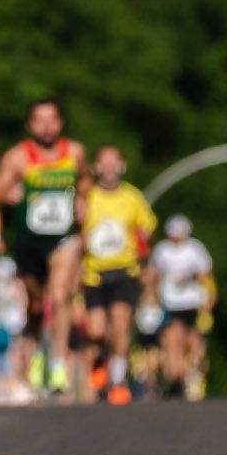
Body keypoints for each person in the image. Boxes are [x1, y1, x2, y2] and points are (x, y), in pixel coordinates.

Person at [0, 100, 87, 397]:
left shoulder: (74, 152)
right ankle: (34, 352)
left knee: (59, 297)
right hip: (29, 241)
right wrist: (10, 194)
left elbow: (85, 181)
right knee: (35, 305)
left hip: (63, 238)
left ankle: (57, 363)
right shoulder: (17, 157)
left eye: (52, 119)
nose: (46, 126)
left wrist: (82, 201)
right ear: (30, 125)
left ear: (60, 123)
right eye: (40, 120)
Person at [78, 146, 153, 406]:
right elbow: (78, 231)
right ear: (96, 168)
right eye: (104, 164)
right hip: (94, 273)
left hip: (124, 271)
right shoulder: (88, 197)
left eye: (114, 163)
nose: (109, 169)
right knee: (97, 330)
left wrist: (144, 260)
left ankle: (118, 380)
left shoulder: (133, 197)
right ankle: (102, 358)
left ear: (122, 166)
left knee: (120, 324)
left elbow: (145, 231)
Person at [146, 214, 211, 398]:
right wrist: (150, 297)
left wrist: (205, 296)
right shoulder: (162, 250)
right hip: (170, 303)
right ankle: (176, 378)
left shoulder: (195, 249)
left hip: (192, 302)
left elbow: (205, 275)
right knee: (172, 340)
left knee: (193, 340)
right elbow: (153, 275)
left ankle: (192, 375)